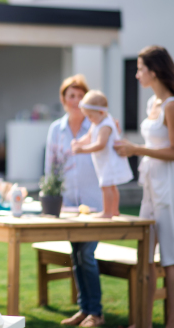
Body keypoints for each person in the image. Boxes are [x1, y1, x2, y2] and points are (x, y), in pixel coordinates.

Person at [114, 46, 174, 328]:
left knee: (169, 258)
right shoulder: (152, 103)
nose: (136, 74)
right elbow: (152, 143)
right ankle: (142, 322)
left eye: (140, 69)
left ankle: (172, 325)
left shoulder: (171, 105)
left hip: (169, 184)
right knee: (146, 257)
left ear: (154, 71)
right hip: (151, 184)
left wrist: (136, 149)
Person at [45, 75, 105, 327]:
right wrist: (51, 196)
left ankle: (97, 314)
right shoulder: (55, 129)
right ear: (63, 99)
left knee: (87, 256)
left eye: (81, 96)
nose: (76, 100)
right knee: (77, 255)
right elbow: (50, 166)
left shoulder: (96, 127)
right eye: (72, 95)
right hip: (67, 203)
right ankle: (84, 310)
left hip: (95, 203)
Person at [71, 90, 133, 218]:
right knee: (111, 186)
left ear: (101, 112)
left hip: (109, 162)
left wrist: (82, 150)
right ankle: (114, 210)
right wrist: (79, 142)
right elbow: (89, 136)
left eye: (90, 116)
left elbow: (100, 144)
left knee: (106, 186)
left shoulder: (106, 125)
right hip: (104, 162)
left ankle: (108, 212)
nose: (89, 119)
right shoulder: (97, 122)